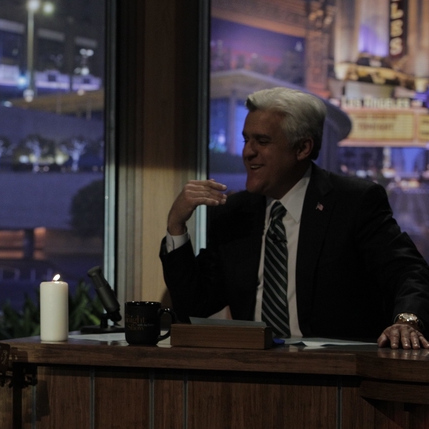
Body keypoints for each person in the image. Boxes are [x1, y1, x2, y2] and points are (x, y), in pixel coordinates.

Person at [160, 87, 429, 349]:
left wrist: (407, 320)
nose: (247, 152)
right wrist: (176, 226)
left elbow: (408, 271)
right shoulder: (234, 212)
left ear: (302, 148)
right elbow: (194, 306)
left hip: (338, 371)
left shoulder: (354, 202)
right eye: (246, 140)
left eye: (262, 141)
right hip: (253, 370)